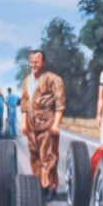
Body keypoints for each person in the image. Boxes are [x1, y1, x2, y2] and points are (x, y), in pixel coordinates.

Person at [21, 48, 66, 196]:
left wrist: (56, 125)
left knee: (48, 157)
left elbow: (60, 104)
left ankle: (50, 187)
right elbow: (24, 103)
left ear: (43, 62)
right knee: (34, 156)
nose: (33, 65)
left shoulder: (54, 79)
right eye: (31, 62)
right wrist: (23, 122)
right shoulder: (26, 80)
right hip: (31, 126)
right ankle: (38, 187)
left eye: (37, 62)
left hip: (47, 124)